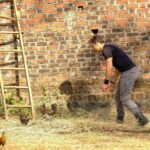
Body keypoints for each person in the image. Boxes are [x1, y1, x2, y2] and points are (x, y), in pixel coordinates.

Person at [89, 33, 149, 126]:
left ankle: (141, 119)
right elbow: (117, 68)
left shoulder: (106, 50)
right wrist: (112, 82)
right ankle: (120, 118)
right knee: (118, 97)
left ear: (97, 44)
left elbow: (109, 66)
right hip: (128, 72)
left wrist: (105, 82)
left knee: (125, 98)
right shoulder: (109, 48)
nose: (93, 49)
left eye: (93, 47)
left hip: (129, 73)